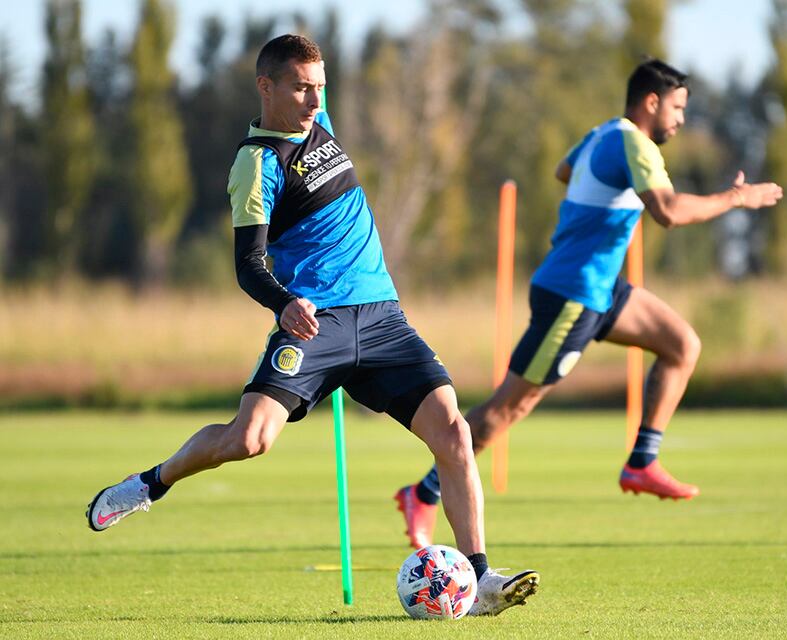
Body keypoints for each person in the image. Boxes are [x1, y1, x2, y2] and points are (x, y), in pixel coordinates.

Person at [85, 34, 538, 616]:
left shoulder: (320, 122)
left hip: (382, 319)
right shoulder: (256, 164)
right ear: (265, 86)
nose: (314, 101)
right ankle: (150, 483)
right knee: (248, 440)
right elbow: (248, 265)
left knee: (455, 434)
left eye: (321, 87)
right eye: (301, 87)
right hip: (313, 326)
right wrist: (283, 304)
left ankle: (479, 581)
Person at [395, 59, 783, 548]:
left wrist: (597, 198)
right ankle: (424, 493)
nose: (682, 119)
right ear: (651, 102)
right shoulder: (634, 144)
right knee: (507, 410)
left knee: (682, 344)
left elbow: (563, 170)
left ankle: (642, 461)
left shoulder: (602, 135)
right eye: (678, 108)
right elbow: (666, 211)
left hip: (601, 288)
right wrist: (736, 199)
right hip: (572, 294)